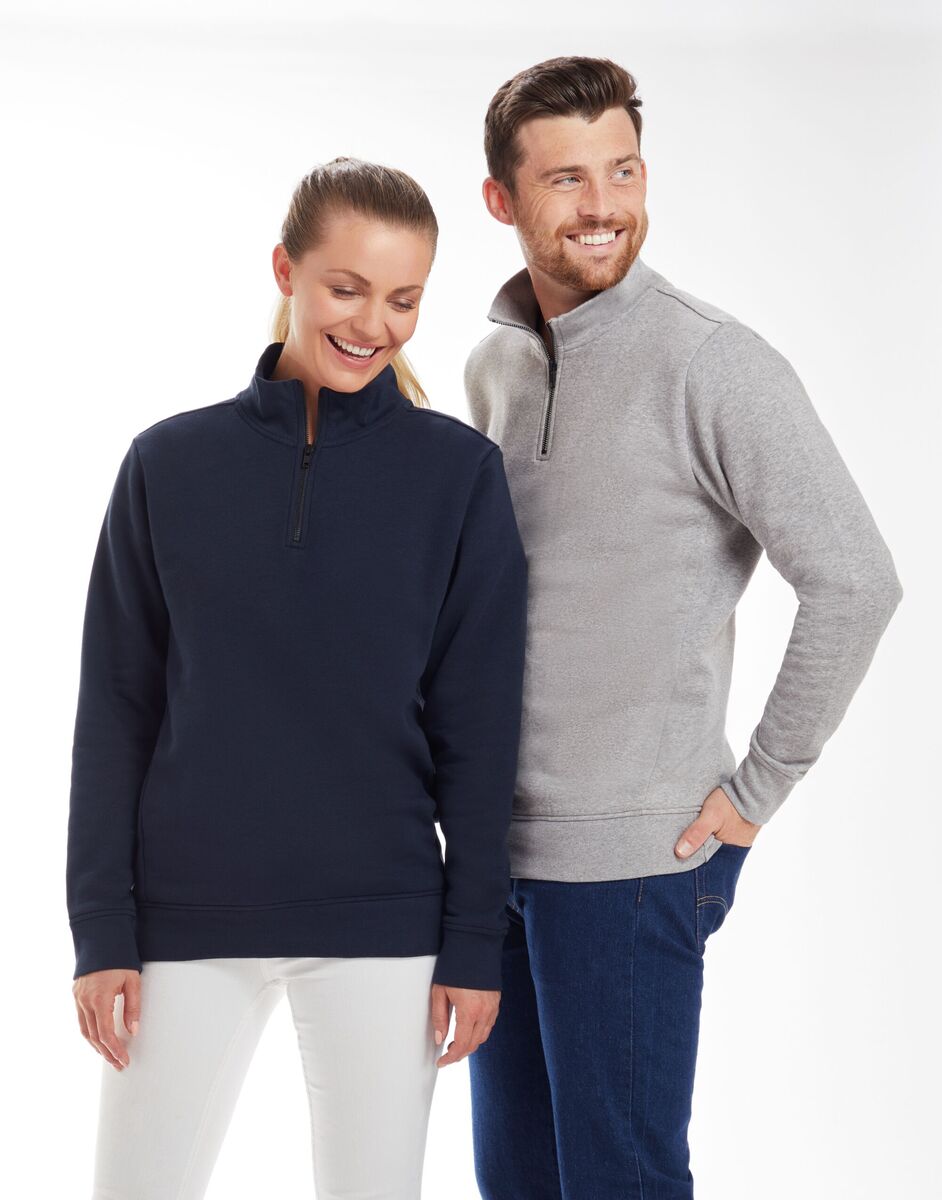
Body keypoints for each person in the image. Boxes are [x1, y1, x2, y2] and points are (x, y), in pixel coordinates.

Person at [463, 56, 903, 1199]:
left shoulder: (713, 362)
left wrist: (757, 791)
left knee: (621, 1180)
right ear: (502, 199)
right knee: (515, 1183)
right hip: (493, 859)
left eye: (623, 170)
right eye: (566, 178)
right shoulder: (495, 364)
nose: (603, 203)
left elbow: (856, 580)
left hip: (630, 865)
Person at [65, 156, 528, 1200]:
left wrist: (472, 940)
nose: (374, 323)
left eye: (403, 298)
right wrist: (102, 930)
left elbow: (479, 728)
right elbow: (116, 711)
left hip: (383, 920)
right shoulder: (167, 464)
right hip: (186, 915)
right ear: (287, 270)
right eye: (346, 288)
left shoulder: (457, 478)